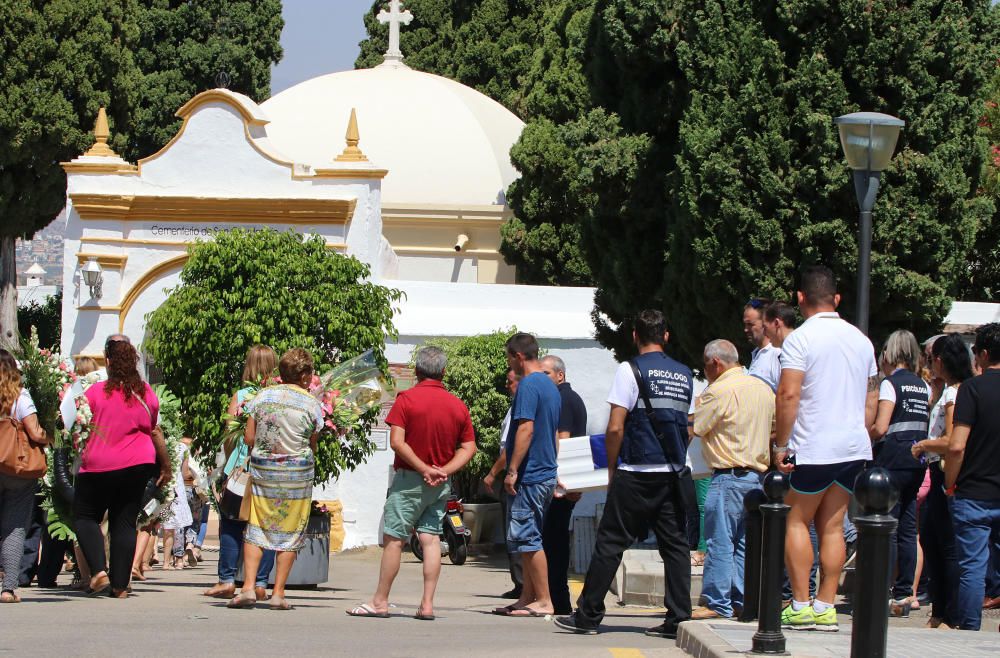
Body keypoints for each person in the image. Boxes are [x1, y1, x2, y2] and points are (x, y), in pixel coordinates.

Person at [555, 310, 694, 638]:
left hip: (636, 470)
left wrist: (613, 467)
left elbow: (616, 426)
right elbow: (685, 426)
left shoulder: (630, 370)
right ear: (667, 336)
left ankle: (588, 616)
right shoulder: (684, 373)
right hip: (673, 472)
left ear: (635, 336)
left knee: (610, 542)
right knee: (675, 546)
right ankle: (677, 620)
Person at [773, 265, 877, 632]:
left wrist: (781, 445)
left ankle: (800, 603)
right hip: (852, 446)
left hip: (812, 445)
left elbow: (788, 394)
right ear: (836, 299)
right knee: (834, 526)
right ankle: (826, 605)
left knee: (796, 520)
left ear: (800, 298)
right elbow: (871, 398)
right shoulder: (862, 341)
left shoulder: (800, 339)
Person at [347, 346, 476, 619]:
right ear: (443, 372)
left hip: (409, 480)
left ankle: (380, 601)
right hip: (439, 483)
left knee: (394, 539)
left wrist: (423, 468)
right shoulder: (457, 404)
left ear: (417, 370)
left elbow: (397, 442)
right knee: (431, 539)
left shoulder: (407, 399)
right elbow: (468, 447)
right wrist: (442, 471)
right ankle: (427, 604)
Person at [73, 340, 171, 598]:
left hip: (98, 464)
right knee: (124, 522)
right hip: (138, 464)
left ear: (108, 362)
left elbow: (76, 425)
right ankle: (119, 586)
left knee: (84, 516)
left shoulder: (94, 393)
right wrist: (166, 465)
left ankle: (98, 573)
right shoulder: (146, 393)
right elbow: (155, 430)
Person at [228, 348, 324, 611]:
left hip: (264, 472)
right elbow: (312, 443)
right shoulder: (312, 404)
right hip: (296, 476)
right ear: (305, 376)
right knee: (290, 531)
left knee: (256, 527)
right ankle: (278, 593)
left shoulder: (262, 397)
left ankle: (248, 587)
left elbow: (249, 438)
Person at [689, 340, 774, 620]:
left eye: (705, 365)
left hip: (728, 475)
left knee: (720, 541)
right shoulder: (764, 389)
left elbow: (698, 427)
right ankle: (741, 599)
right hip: (757, 477)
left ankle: (716, 601)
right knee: (744, 543)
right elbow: (774, 428)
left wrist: (700, 401)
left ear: (716, 363)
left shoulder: (718, 390)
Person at [494, 332, 561, 618]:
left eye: (510, 358)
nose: (510, 364)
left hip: (531, 475)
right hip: (544, 472)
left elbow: (525, 429)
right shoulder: (549, 386)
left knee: (528, 537)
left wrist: (512, 470)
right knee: (526, 537)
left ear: (519, 357)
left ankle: (544, 600)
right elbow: (553, 433)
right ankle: (527, 597)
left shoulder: (528, 386)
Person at [204, 344, 277, 601]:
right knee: (264, 525)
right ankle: (260, 582)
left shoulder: (242, 395)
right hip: (269, 468)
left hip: (241, 468)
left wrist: (226, 466)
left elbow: (229, 435)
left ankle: (226, 579)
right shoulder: (277, 396)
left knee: (232, 521)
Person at [911, 333, 973, 628]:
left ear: (939, 360)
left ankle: (946, 613)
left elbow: (950, 440)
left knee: (943, 545)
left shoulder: (952, 394)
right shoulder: (952, 390)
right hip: (942, 473)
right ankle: (941, 611)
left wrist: (924, 445)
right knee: (936, 542)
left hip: (943, 472)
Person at [868, 330, 930, 616]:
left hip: (891, 462)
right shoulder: (923, 386)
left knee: (886, 528)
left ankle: (880, 589)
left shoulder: (891, 385)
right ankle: (905, 593)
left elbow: (881, 427)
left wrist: (864, 434)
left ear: (890, 353)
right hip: (916, 463)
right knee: (907, 527)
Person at [944, 322, 1000, 631]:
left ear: (984, 354)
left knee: (972, 570)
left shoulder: (972, 389)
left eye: (975, 351)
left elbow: (956, 446)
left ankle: (968, 632)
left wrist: (950, 483)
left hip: (974, 493)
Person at [0, 349, 52, 602]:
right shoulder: (20, 395)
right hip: (16, 468)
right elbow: (35, 431)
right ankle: (8, 588)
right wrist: (50, 435)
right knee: (15, 526)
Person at [540, 354, 587, 616]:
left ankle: (559, 600)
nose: (542, 378)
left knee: (554, 542)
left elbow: (563, 440)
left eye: (546, 373)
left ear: (560, 375)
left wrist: (559, 479)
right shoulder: (569, 397)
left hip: (561, 483)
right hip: (566, 481)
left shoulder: (563, 398)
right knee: (554, 541)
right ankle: (556, 598)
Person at [483, 369, 523, 599]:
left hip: (513, 476)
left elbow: (511, 449)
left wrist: (492, 473)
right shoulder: (514, 407)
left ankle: (523, 584)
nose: (507, 386)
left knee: (515, 531)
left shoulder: (521, 408)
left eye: (510, 382)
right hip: (510, 475)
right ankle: (520, 584)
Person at [744, 299, 781, 391]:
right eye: (745, 324)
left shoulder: (777, 354)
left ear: (766, 323)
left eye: (750, 324)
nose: (745, 329)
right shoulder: (756, 354)